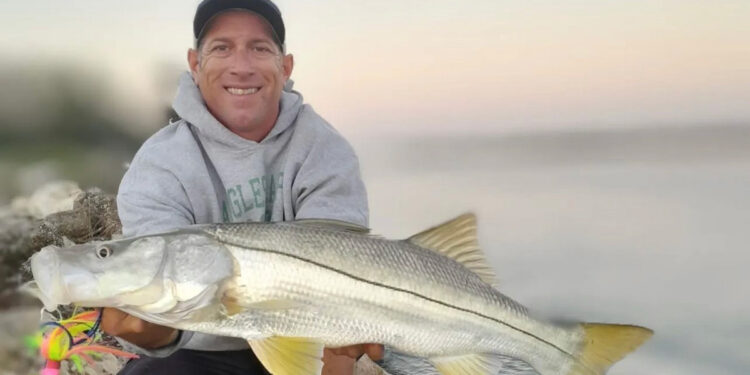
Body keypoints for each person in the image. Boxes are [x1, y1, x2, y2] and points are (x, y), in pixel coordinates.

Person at [104, 0, 382, 373]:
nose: (241, 66)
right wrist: (146, 328)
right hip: (199, 351)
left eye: (260, 48)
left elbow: (336, 287)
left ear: (285, 67)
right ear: (194, 64)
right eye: (221, 48)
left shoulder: (323, 149)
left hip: (304, 340)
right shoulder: (158, 165)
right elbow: (159, 310)